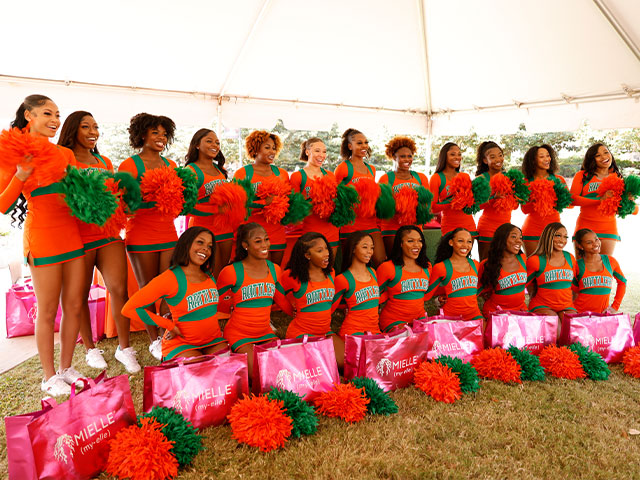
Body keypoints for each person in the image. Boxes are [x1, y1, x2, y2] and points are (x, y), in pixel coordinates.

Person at [0, 95, 85, 396]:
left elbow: (78, 197)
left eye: (58, 115)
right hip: (43, 237)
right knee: (47, 311)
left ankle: (66, 367)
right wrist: (21, 176)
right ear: (28, 115)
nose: (54, 120)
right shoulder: (12, 151)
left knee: (75, 304)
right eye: (47, 113)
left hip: (72, 234)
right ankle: (48, 376)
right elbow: (3, 204)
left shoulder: (65, 153)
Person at [57, 111, 140, 373]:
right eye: (86, 126)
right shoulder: (62, 159)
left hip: (107, 234)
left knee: (119, 289)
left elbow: (113, 194)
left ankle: (124, 347)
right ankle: (90, 348)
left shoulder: (103, 160)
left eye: (96, 127)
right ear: (72, 130)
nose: (93, 131)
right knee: (78, 295)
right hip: (76, 236)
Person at [118, 113, 178, 360]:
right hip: (141, 233)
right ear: (142, 134)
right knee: (147, 290)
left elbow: (179, 202)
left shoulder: (172, 166)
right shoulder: (129, 166)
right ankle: (154, 341)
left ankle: (166, 334)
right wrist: (147, 198)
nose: (161, 138)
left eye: (164, 134)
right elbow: (123, 206)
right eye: (155, 133)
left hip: (169, 232)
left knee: (168, 288)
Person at [122, 227, 228, 360]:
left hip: (212, 340)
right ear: (186, 244)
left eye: (210, 246)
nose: (206, 249)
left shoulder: (208, 275)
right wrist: (168, 325)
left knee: (226, 364)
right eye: (200, 242)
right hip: (182, 343)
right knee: (201, 371)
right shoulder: (170, 277)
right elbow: (129, 309)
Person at [217, 223, 293, 378]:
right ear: (245, 245)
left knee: (283, 372)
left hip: (265, 332)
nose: (264, 245)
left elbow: (282, 300)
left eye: (266, 239)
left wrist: (300, 312)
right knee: (259, 375)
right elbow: (213, 301)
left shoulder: (274, 270)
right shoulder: (231, 272)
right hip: (239, 334)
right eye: (258, 241)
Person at [282, 232, 343, 368]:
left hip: (325, 331)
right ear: (307, 255)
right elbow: (277, 291)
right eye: (319, 251)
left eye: (326, 248)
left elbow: (331, 301)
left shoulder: (330, 272)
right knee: (318, 367)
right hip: (302, 333)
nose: (326, 253)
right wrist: (290, 308)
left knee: (343, 363)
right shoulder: (293, 276)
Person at [233, 131, 289, 265]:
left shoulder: (282, 173)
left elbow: (288, 200)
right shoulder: (243, 173)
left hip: (277, 231)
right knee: (257, 272)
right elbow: (237, 203)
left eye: (274, 148)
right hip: (252, 234)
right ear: (256, 148)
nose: (272, 151)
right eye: (267, 147)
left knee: (275, 272)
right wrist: (264, 203)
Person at [185, 128, 233, 278]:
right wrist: (216, 210)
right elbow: (186, 208)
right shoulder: (190, 170)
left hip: (224, 229)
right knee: (204, 275)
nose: (215, 145)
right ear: (197, 145)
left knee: (221, 274)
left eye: (217, 142)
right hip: (202, 230)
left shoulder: (220, 170)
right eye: (209, 141)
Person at [334, 128, 386, 267]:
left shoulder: (371, 169)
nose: (364, 146)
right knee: (352, 265)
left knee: (381, 262)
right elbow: (336, 198)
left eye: (366, 142)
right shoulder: (343, 168)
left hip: (370, 223)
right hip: (351, 225)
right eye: (359, 143)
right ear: (350, 146)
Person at [570, 143, 628, 255]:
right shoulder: (582, 175)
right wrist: (600, 199)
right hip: (585, 227)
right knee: (583, 269)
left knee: (604, 268)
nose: (604, 157)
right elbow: (572, 200)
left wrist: (627, 201)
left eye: (606, 152)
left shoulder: (618, 177)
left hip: (608, 228)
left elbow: (630, 209)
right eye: (598, 155)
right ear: (592, 159)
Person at [378, 136, 430, 257]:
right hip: (392, 229)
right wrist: (401, 205)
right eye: (402, 156)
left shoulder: (421, 178)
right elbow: (382, 209)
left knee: (414, 263)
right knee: (394, 262)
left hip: (415, 229)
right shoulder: (386, 178)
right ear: (394, 157)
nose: (407, 159)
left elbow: (427, 205)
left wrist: (417, 207)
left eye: (409, 156)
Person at [289, 137, 340, 257]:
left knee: (329, 268)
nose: (321, 155)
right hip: (310, 231)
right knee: (312, 269)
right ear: (307, 152)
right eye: (317, 151)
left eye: (324, 151)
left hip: (331, 230)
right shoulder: (297, 177)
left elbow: (337, 202)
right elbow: (294, 211)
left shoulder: (331, 175)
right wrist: (314, 203)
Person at [377, 225, 432, 332]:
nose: (416, 245)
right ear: (401, 244)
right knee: (409, 339)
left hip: (419, 319)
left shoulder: (427, 267)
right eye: (410, 241)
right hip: (394, 320)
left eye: (419, 241)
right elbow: (372, 296)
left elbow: (427, 292)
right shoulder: (388, 267)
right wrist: (388, 294)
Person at [526, 222, 577, 331]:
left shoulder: (570, 257)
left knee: (572, 333)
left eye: (565, 237)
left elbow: (574, 284)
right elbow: (522, 284)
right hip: (543, 305)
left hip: (566, 306)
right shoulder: (535, 260)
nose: (562, 240)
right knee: (556, 333)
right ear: (548, 236)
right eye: (558, 235)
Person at [520, 144, 569, 256]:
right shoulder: (526, 182)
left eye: (548, 156)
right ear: (533, 161)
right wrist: (537, 199)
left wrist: (553, 198)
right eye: (542, 157)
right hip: (532, 230)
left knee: (552, 265)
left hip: (554, 230)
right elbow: (524, 209)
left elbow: (569, 204)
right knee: (533, 265)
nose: (547, 159)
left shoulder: (558, 180)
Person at [332, 231, 381, 336]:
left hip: (375, 330)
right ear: (353, 249)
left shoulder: (373, 272)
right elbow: (330, 306)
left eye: (372, 248)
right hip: (353, 332)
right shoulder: (343, 279)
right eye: (365, 247)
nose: (370, 252)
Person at [427, 228, 482, 321]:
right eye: (460, 241)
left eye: (469, 242)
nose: (465, 245)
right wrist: (443, 295)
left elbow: (476, 288)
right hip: (450, 316)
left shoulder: (476, 264)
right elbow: (427, 294)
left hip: (474, 314)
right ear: (451, 242)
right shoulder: (441, 267)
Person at [478, 223, 528, 319]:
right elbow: (474, 289)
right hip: (497, 312)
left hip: (520, 311)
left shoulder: (522, 258)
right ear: (502, 239)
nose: (519, 241)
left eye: (520, 238)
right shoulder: (488, 264)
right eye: (514, 237)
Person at [429, 143, 478, 239]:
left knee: (466, 254)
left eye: (459, 154)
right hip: (450, 227)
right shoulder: (437, 178)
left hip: (469, 226)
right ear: (444, 156)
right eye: (452, 154)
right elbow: (433, 208)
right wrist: (453, 200)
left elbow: (471, 203)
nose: (457, 157)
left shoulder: (465, 176)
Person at [572, 228, 626, 313]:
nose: (595, 244)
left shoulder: (611, 261)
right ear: (580, 246)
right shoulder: (577, 265)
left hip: (602, 315)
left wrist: (615, 307)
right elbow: (573, 290)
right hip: (580, 314)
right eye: (589, 242)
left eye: (596, 239)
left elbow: (622, 282)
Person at [475, 141, 512, 260]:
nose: (498, 159)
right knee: (486, 264)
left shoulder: (510, 177)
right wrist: (492, 198)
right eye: (492, 157)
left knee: (504, 265)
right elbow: (475, 206)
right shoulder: (481, 179)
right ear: (485, 160)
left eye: (500, 155)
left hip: (506, 227)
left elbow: (515, 206)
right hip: (488, 228)